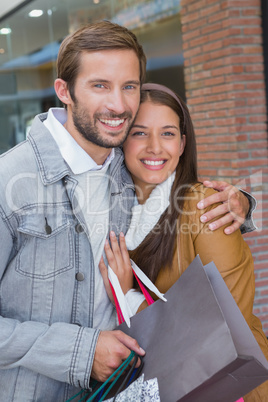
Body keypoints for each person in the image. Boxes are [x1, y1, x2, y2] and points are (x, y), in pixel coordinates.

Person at [0, 21, 254, 401]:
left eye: (129, 86)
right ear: (64, 91)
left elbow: (174, 185)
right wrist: (82, 352)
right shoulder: (11, 180)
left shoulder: (123, 169)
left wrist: (241, 201)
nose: (118, 105)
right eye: (100, 85)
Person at [99, 83, 268, 401]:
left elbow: (224, 327)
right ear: (120, 141)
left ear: (182, 143)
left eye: (167, 133)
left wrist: (128, 296)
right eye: (139, 133)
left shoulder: (206, 208)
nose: (154, 147)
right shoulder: (116, 216)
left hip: (231, 389)